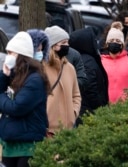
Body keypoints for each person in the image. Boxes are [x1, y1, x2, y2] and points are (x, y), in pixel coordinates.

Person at [0, 31, 50, 167]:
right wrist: (4, 75)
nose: (8, 57)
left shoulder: (34, 79)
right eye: (7, 53)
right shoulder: (14, 75)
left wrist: (1, 97)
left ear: (22, 56)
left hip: (27, 145)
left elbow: (16, 107)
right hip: (11, 142)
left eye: (12, 53)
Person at [44, 25, 81, 134]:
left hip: (67, 130)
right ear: (53, 45)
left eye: (67, 43)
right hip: (47, 130)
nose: (67, 46)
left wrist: (73, 113)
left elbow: (76, 95)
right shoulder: (41, 68)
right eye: (63, 43)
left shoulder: (69, 68)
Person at [69, 27, 109, 126]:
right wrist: (99, 105)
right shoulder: (87, 61)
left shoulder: (81, 58)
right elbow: (90, 87)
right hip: (88, 109)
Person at [101, 22, 128, 104]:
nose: (114, 42)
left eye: (118, 41)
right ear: (107, 44)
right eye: (111, 40)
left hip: (126, 108)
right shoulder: (100, 61)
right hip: (104, 107)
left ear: (122, 44)